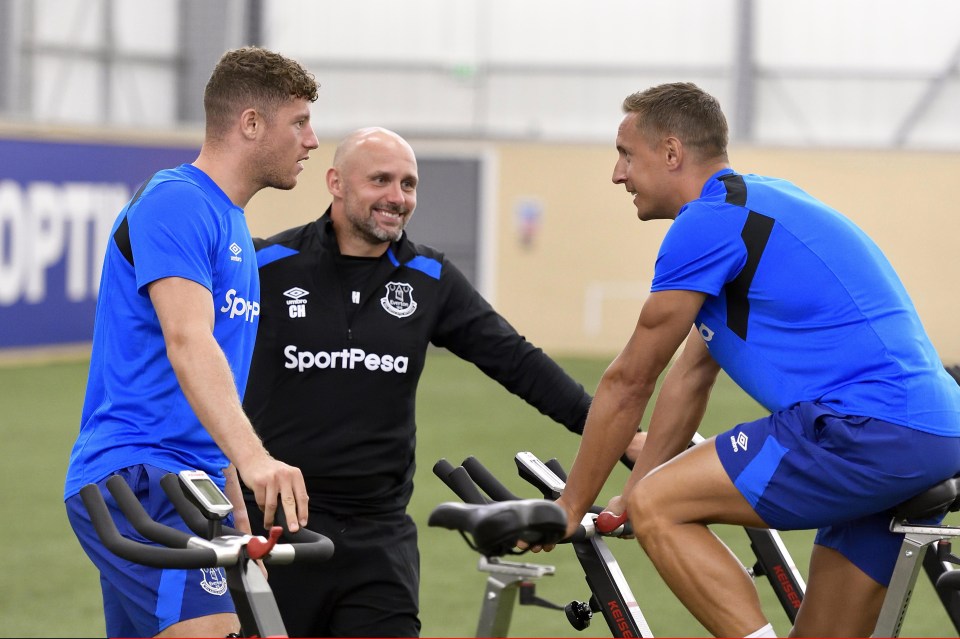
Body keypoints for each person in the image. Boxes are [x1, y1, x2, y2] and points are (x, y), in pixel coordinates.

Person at [538, 82, 960, 637]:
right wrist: (629, 492)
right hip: (932, 437)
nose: (617, 175)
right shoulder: (757, 203)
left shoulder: (707, 221)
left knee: (662, 505)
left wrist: (570, 507)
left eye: (625, 155)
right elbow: (688, 377)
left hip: (865, 427)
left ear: (670, 153)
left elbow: (629, 380)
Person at [241, 126, 645, 637]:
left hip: (378, 542)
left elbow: (518, 362)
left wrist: (618, 433)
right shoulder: (268, 267)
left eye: (409, 184)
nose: (397, 197)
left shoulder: (429, 278)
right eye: (381, 180)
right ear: (336, 183)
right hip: (277, 528)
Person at [63, 46, 321, 638]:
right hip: (140, 474)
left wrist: (232, 496)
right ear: (250, 123)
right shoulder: (177, 201)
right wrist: (257, 460)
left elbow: (212, 385)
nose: (311, 141)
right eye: (299, 122)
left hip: (190, 483)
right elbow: (187, 340)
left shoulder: (231, 223)